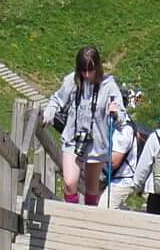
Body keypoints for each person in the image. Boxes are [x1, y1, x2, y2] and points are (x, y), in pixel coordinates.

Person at [41, 46, 127, 204]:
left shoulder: (108, 86)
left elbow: (122, 116)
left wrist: (115, 112)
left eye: (91, 70)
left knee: (92, 188)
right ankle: (71, 213)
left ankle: (88, 219)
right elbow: (57, 99)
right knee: (69, 182)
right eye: (83, 70)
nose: (87, 75)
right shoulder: (72, 81)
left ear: (98, 67)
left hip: (97, 143)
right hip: (73, 140)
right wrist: (49, 112)